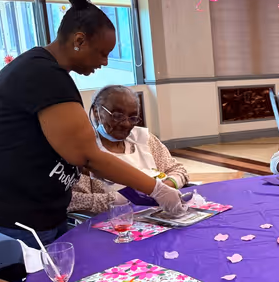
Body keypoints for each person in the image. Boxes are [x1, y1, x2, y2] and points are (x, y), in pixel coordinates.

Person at [0, 0, 186, 245]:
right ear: (79, 40)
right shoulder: (43, 74)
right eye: (102, 53)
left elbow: (68, 152)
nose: (104, 62)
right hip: (3, 215)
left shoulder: (46, 71)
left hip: (39, 210)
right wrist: (156, 189)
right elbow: (87, 156)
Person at [69, 86, 189, 215]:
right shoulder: (85, 149)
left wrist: (164, 188)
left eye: (132, 118)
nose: (126, 124)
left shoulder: (144, 140)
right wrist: (124, 199)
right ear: (96, 112)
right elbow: (74, 200)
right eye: (117, 116)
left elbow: (179, 170)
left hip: (158, 217)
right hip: (115, 224)